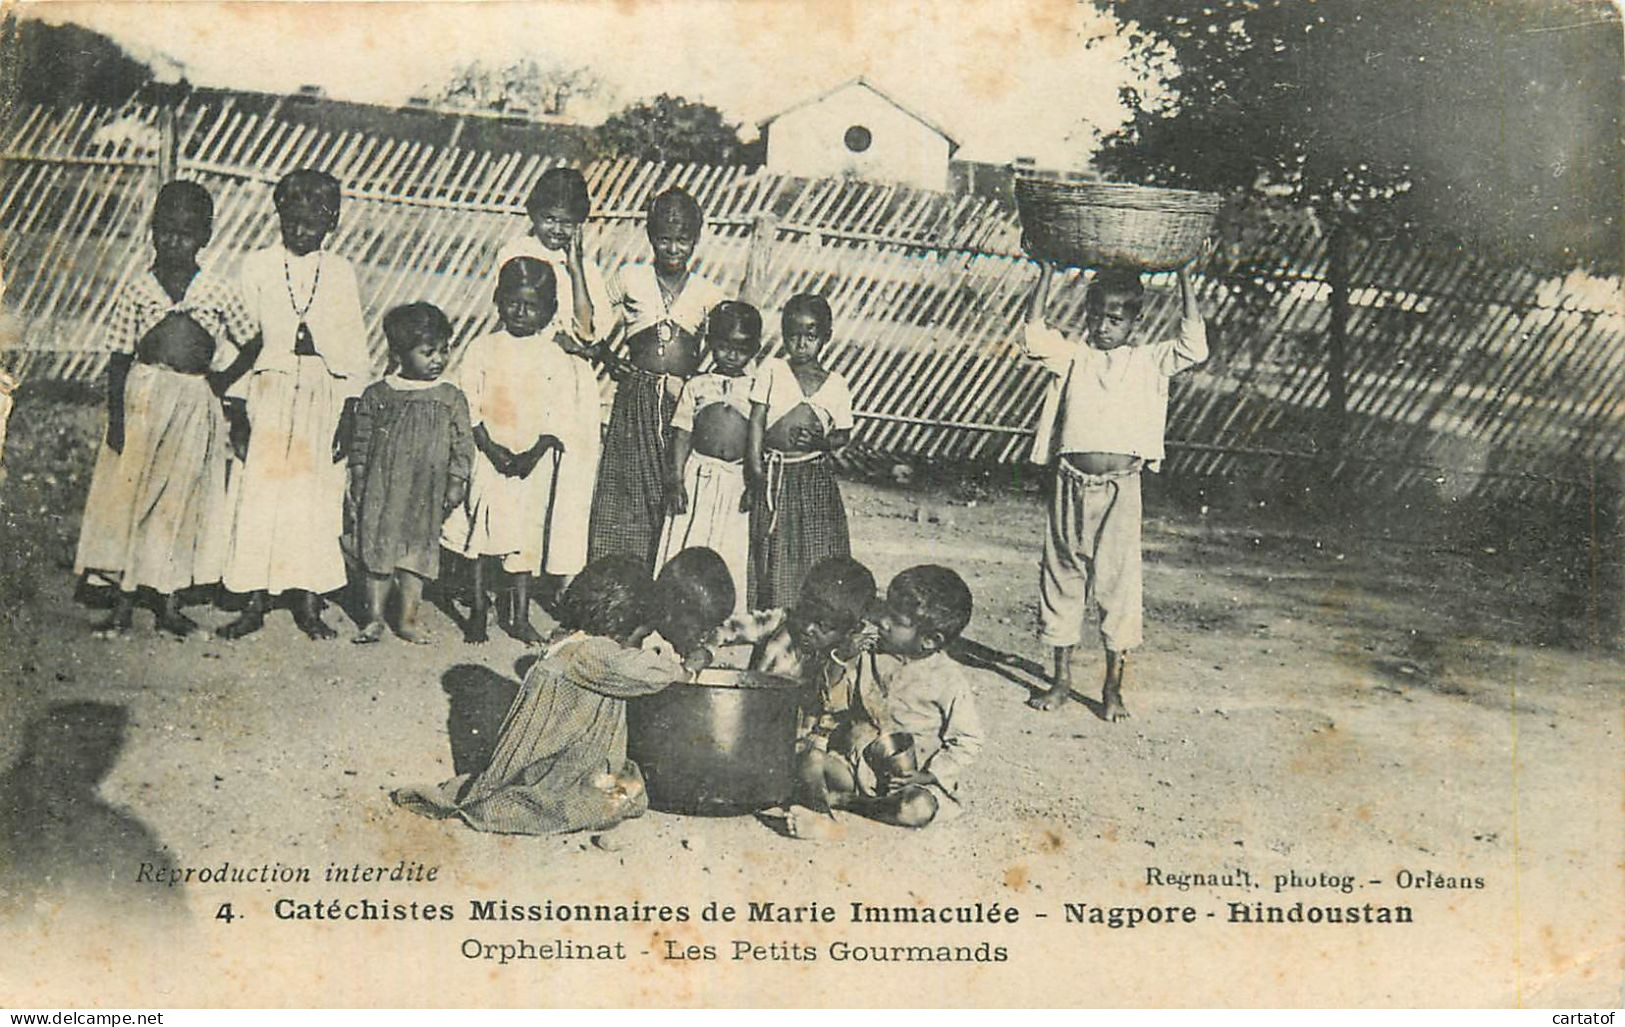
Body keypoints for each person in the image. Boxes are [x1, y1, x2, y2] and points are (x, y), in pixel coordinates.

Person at [390, 550, 733, 837]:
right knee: (616, 795)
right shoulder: (595, 655)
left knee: (626, 783)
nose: (638, 645)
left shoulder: (572, 641)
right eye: (639, 636)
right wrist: (699, 659)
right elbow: (654, 674)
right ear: (620, 624)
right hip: (547, 772)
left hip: (553, 761)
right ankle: (526, 808)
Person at [1019, 255, 1209, 721]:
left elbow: (1195, 345)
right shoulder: (1074, 355)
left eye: (1115, 319)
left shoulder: (1147, 361)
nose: (1103, 327)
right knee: (1062, 574)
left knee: (1118, 582)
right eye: (1096, 316)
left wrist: (1184, 274)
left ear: (1134, 322)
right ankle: (1060, 681)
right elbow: (1032, 336)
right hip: (1070, 483)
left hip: (1121, 488)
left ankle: (1112, 686)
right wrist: (1047, 272)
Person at [75, 180, 260, 638]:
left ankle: (169, 603)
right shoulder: (138, 289)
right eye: (166, 232)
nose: (175, 242)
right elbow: (119, 358)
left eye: (187, 233)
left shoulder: (217, 290)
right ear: (152, 232)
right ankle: (121, 604)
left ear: (204, 238)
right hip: (143, 400)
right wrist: (116, 420)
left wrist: (219, 380)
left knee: (179, 500)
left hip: (194, 403)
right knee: (130, 500)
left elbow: (253, 340)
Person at [218, 169, 372, 641]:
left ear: (331, 224)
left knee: (315, 496)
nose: (302, 233)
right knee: (261, 492)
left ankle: (308, 601)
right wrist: (238, 406)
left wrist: (348, 408)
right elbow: (239, 340)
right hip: (270, 388)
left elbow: (352, 344)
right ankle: (253, 599)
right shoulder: (258, 266)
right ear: (279, 216)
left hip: (321, 393)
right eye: (293, 223)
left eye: (313, 224)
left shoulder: (340, 272)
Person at [442, 257, 599, 645]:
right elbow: (469, 404)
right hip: (488, 456)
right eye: (513, 302)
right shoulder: (482, 349)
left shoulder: (554, 357)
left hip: (533, 462)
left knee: (525, 539)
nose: (521, 312)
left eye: (532, 306)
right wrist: (490, 449)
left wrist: (535, 452)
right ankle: (479, 609)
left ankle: (521, 614)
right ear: (498, 300)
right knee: (482, 534)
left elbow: (559, 412)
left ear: (547, 312)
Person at [588, 187, 727, 568]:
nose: (673, 249)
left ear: (696, 240)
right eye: (664, 239)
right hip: (635, 397)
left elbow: (731, 339)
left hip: (681, 403)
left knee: (671, 480)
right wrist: (605, 355)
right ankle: (617, 572)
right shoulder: (632, 278)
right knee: (627, 484)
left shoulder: (708, 293)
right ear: (651, 237)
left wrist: (700, 380)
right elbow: (594, 316)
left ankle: (660, 570)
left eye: (683, 240)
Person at [789, 565, 983, 837]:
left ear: (929, 640)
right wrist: (842, 659)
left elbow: (967, 740)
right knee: (808, 759)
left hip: (904, 781)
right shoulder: (870, 654)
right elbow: (832, 701)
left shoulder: (948, 680)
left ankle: (846, 803)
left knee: (917, 808)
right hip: (855, 767)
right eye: (886, 610)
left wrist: (931, 774)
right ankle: (823, 815)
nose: (882, 622)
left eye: (896, 619)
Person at [346, 303, 474, 645]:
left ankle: (407, 619)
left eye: (444, 350)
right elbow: (361, 440)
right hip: (383, 489)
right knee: (378, 552)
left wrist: (457, 480)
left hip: (426, 491)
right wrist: (358, 476)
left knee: (417, 556)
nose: (438, 359)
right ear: (402, 353)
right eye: (427, 352)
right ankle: (373, 618)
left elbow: (464, 444)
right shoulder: (379, 394)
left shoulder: (450, 397)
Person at [746, 293, 854, 610]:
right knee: (774, 541)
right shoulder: (772, 370)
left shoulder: (836, 384)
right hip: (775, 474)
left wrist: (822, 442)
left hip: (813, 475)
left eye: (811, 335)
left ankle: (812, 607)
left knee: (815, 541)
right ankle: (774, 607)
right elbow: (757, 419)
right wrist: (755, 466)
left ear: (825, 337)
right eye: (793, 335)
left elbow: (843, 433)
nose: (801, 343)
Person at [654, 300, 762, 613]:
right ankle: (674, 607)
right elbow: (683, 432)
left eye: (741, 348)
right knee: (686, 539)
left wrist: (755, 482)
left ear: (754, 349)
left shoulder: (757, 389)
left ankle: (723, 615)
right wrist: (675, 479)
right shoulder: (697, 385)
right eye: (723, 346)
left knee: (729, 546)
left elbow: (759, 441)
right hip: (698, 477)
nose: (732, 355)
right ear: (711, 343)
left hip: (735, 481)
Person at [495, 166, 613, 355]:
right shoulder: (516, 255)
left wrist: (576, 270)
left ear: (578, 224)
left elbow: (587, 333)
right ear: (534, 214)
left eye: (567, 223)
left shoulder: (587, 270)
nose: (557, 230)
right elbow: (515, 319)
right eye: (549, 219)